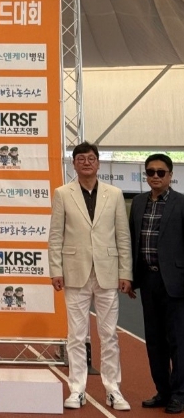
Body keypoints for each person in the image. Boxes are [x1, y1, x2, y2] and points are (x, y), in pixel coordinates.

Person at [48, 141, 132, 411]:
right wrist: (56, 269)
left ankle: (113, 389)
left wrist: (125, 272)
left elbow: (122, 236)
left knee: (109, 335)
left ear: (98, 163)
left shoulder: (114, 194)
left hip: (107, 271)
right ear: (74, 164)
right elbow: (55, 235)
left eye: (91, 158)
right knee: (76, 335)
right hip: (75, 272)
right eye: (81, 158)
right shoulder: (63, 194)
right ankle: (77, 390)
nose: (86, 162)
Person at [129, 154, 184, 414]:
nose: (155, 176)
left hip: (176, 282)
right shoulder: (138, 203)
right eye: (150, 172)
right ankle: (163, 391)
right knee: (154, 341)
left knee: (178, 341)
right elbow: (132, 241)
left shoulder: (181, 203)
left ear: (170, 175)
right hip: (148, 280)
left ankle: (180, 394)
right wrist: (131, 277)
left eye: (161, 172)